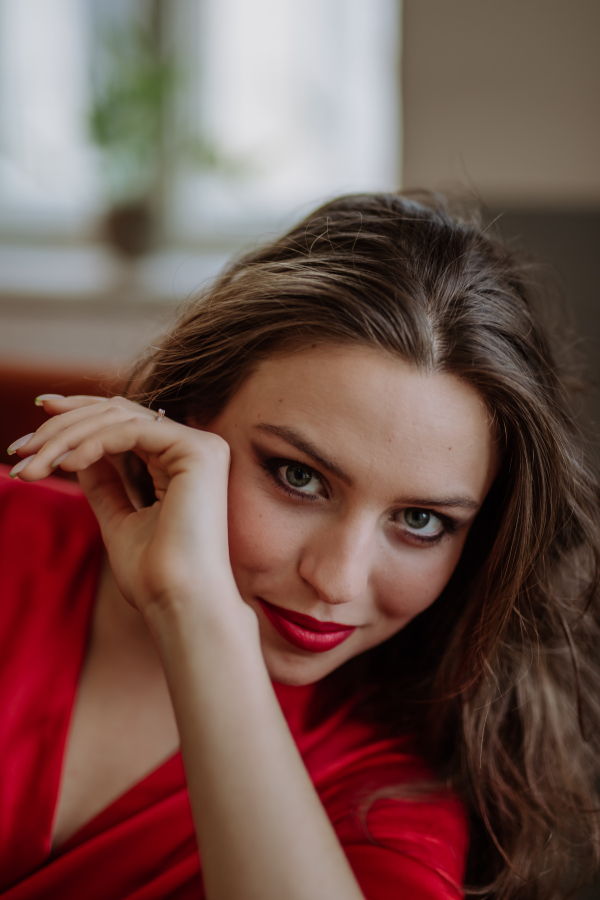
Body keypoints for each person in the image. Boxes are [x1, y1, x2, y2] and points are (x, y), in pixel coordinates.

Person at [1, 192, 599, 900]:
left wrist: (196, 617)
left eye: (422, 522)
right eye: (298, 477)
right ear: (193, 416)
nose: (336, 581)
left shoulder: (391, 798)